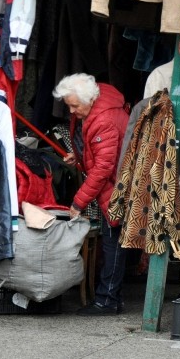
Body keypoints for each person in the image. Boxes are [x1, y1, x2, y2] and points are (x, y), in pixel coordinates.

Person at [53, 73, 129, 316]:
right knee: (113, 240)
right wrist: (82, 155)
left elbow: (103, 168)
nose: (72, 112)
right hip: (115, 181)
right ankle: (110, 298)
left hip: (115, 185)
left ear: (89, 99)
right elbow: (100, 154)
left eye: (75, 106)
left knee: (112, 241)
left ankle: (107, 301)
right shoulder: (101, 102)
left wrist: (78, 202)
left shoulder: (103, 119)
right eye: (68, 106)